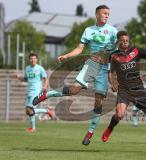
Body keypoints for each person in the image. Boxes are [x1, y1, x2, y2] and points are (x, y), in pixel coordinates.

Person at [32, 5, 117, 145]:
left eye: (108, 14)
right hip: (91, 65)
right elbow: (79, 49)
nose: (107, 16)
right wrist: (66, 56)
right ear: (97, 14)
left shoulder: (113, 31)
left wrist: (113, 75)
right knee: (74, 90)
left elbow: (117, 53)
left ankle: (90, 133)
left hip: (104, 69)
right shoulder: (89, 30)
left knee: (98, 102)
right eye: (104, 13)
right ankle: (46, 95)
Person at [101, 31, 146, 154]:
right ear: (117, 41)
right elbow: (110, 72)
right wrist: (113, 83)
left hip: (139, 89)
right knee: (119, 115)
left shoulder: (136, 50)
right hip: (124, 90)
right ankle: (109, 129)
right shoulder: (113, 56)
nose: (125, 41)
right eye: (122, 40)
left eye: (126, 40)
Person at [17, 53, 54, 132]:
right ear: (29, 60)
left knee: (30, 108)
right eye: (31, 58)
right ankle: (33, 127)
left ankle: (47, 112)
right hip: (29, 91)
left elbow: (45, 78)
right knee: (28, 111)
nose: (33, 60)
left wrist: (45, 87)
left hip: (36, 90)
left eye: (34, 58)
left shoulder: (40, 68)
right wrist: (20, 78)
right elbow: (26, 79)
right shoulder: (27, 68)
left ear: (37, 60)